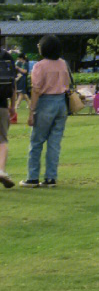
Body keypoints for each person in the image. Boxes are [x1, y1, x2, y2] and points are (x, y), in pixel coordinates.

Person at [21, 34, 71, 188]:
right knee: (54, 143)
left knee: (36, 141)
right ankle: (50, 178)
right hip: (61, 102)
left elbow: (36, 90)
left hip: (45, 102)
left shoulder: (40, 66)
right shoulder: (63, 63)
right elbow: (68, 83)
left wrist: (31, 111)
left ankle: (33, 177)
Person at [0, 33, 16, 188]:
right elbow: (12, 84)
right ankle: (1, 170)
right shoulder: (6, 56)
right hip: (2, 105)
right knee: (2, 139)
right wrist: (13, 106)